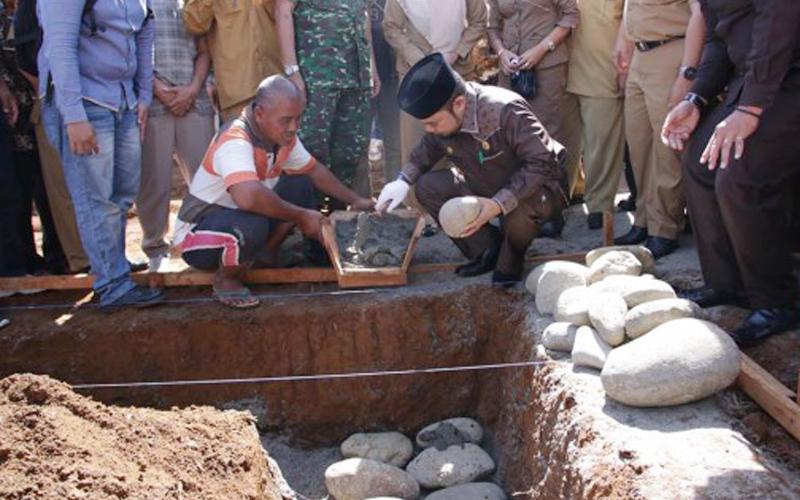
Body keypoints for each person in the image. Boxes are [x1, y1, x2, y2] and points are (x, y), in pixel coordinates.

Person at [661, 0, 800, 345]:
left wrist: (750, 108)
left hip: (786, 77)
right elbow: (718, 39)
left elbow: (778, 24)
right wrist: (696, 98)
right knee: (699, 163)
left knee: (738, 174)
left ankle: (777, 300)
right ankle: (727, 284)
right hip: (746, 79)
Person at [172, 76, 374, 309]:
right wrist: (302, 216)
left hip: (240, 219)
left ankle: (267, 253)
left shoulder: (282, 138)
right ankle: (226, 279)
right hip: (197, 236)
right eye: (286, 120)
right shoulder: (234, 140)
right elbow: (248, 198)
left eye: (298, 118)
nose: (294, 128)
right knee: (252, 225)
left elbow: (314, 170)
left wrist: (356, 200)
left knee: (300, 184)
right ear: (259, 114)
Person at [375, 53, 566, 287]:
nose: (430, 130)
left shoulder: (504, 110)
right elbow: (426, 150)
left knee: (508, 260)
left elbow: (542, 163)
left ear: (459, 104)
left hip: (535, 190)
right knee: (427, 187)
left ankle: (511, 256)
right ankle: (486, 249)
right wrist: (403, 181)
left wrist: (497, 204)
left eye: (433, 123)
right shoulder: (445, 116)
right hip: (486, 180)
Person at [38, 0, 163, 309]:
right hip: (85, 102)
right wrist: (74, 116)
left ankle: (113, 263)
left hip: (124, 99)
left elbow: (145, 31)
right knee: (95, 199)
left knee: (123, 193)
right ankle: (112, 284)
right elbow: (60, 46)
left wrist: (144, 95)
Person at [612, 0, 705, 259]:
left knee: (666, 150)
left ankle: (665, 228)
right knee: (639, 146)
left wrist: (686, 74)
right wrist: (624, 38)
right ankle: (643, 221)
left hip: (671, 51)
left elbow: (699, 14)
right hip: (640, 54)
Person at [138, 0, 215, 272]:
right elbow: (132, 47)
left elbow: (204, 50)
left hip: (194, 100)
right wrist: (158, 89)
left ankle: (202, 242)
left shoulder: (192, 2)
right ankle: (155, 248)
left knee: (204, 179)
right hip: (153, 101)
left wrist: (193, 89)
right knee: (153, 181)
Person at [275, 0, 380, 197]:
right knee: (311, 148)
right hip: (316, 77)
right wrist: (292, 70)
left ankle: (340, 207)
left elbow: (363, 16)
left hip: (356, 77)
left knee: (350, 151)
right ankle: (307, 210)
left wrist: (371, 65)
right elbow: (283, 12)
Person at [0, 0, 68, 278]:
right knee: (14, 189)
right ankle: (19, 262)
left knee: (46, 184)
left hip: (39, 108)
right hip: (14, 110)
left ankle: (55, 256)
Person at [382, 0, 487, 168]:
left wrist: (456, 53)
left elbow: (479, 21)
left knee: (463, 146)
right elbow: (391, 27)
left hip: (457, 71)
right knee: (417, 149)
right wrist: (423, 62)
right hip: (416, 76)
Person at [559, 0, 625, 230]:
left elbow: (631, 20)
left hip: (603, 67)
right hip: (559, 69)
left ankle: (600, 204)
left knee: (602, 141)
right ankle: (573, 189)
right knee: (564, 141)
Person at [183, 0, 283, 123]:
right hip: (237, 94)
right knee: (239, 135)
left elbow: (284, 12)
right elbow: (194, 22)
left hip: (276, 86)